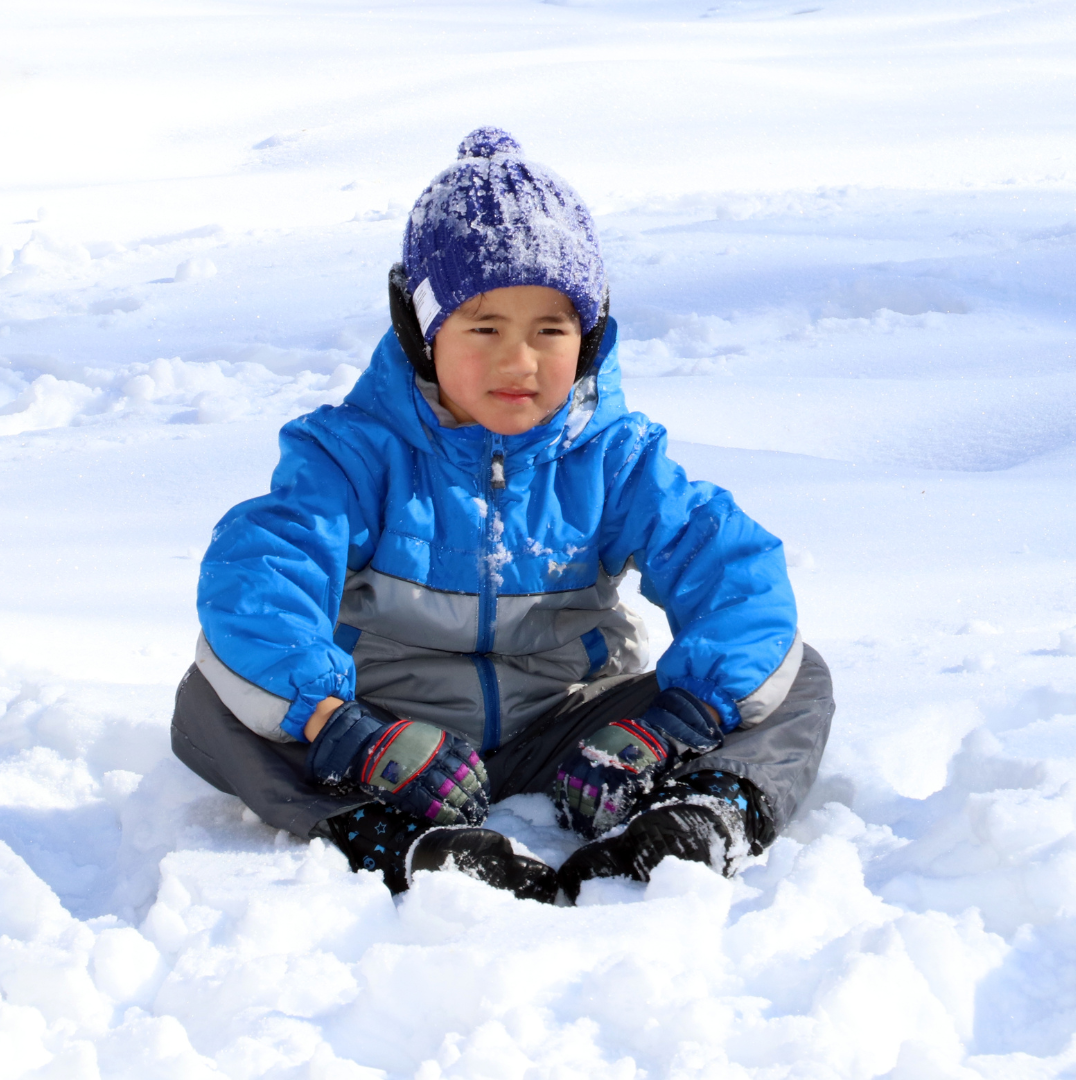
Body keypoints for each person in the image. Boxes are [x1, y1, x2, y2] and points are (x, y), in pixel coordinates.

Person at [172, 127, 834, 904]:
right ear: (423, 333)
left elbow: (735, 575)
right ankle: (381, 836)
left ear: (588, 339)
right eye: (484, 328)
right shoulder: (353, 457)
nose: (519, 362)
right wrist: (342, 729)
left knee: (792, 674)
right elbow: (260, 577)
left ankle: (701, 818)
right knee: (212, 702)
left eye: (550, 330)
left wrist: (674, 724)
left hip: (569, 731)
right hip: (389, 739)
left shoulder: (613, 461)